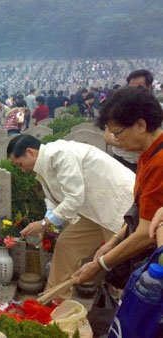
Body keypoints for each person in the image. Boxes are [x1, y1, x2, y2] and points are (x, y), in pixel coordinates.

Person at [7, 134, 135, 299]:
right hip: (93, 211)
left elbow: (74, 198)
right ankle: (55, 299)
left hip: (117, 209)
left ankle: (127, 308)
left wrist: (45, 224)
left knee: (121, 263)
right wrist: (45, 223)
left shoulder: (60, 154)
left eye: (20, 164)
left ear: (30, 152)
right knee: (66, 245)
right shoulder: (43, 166)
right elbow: (54, 200)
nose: (22, 170)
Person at [73, 86, 163, 286]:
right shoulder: (147, 155)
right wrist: (113, 243)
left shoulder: (159, 163)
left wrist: (99, 265)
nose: (116, 141)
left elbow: (146, 234)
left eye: (118, 133)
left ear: (140, 125)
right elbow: (140, 210)